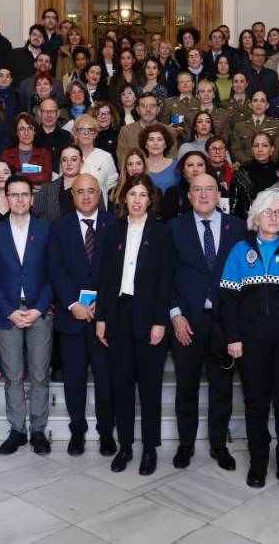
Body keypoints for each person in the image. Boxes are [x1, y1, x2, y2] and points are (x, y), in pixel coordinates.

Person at [220, 187, 279, 492]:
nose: (274, 217)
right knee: (256, 405)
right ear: (256, 217)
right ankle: (258, 465)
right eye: (268, 212)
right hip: (251, 342)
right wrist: (233, 337)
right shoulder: (239, 251)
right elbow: (228, 299)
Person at [95, 174, 173, 475]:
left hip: (149, 316)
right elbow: (104, 278)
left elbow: (166, 280)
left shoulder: (162, 233)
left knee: (150, 388)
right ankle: (125, 446)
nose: (137, 200)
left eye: (143, 195)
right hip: (118, 315)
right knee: (121, 386)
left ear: (150, 200)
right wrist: (101, 317)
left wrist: (160, 321)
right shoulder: (112, 231)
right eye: (132, 194)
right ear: (124, 199)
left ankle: (149, 448)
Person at [169, 173, 246, 470]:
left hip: (224, 322)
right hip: (187, 321)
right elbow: (165, 276)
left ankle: (218, 445)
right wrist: (175, 314)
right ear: (189, 196)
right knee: (186, 386)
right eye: (197, 190)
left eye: (209, 189)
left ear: (218, 195)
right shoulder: (174, 228)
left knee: (221, 387)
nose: (203, 195)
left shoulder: (237, 227)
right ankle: (185, 444)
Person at [47, 174, 117, 457]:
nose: (86, 196)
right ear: (72, 196)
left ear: (99, 194)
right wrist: (72, 303)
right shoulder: (59, 227)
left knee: (105, 378)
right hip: (71, 317)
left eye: (91, 191)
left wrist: (103, 302)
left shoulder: (114, 224)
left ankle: (106, 432)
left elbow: (118, 269)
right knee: (74, 379)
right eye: (80, 192)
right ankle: (77, 431)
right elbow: (55, 269)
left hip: (105, 318)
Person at [0, 174, 54, 455]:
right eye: (14, 194)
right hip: (7, 312)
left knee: (39, 375)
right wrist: (9, 311)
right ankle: (17, 429)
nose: (19, 199)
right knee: (13, 376)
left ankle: (38, 429)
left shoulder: (46, 229)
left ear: (32, 198)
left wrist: (39, 308)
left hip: (40, 310)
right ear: (6, 198)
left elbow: (54, 272)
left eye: (24, 194)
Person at [117, 92, 178, 167]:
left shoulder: (170, 131)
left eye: (152, 106)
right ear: (138, 110)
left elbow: (172, 162)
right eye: (143, 106)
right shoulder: (126, 131)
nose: (148, 109)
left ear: (158, 109)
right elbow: (122, 162)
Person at [33, 144, 90, 221]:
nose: (69, 163)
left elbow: (101, 218)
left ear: (81, 163)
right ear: (61, 163)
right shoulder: (47, 188)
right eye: (64, 160)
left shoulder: (92, 187)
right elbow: (36, 218)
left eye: (73, 159)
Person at [229, 132, 278, 219]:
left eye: (265, 146)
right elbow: (233, 207)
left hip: (275, 219)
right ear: (251, 150)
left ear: (272, 149)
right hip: (247, 221)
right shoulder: (242, 172)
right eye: (256, 146)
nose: (260, 149)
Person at [0, 112, 53, 190]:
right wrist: (34, 181)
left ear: (35, 132)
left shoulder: (44, 154)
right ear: (16, 132)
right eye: (22, 129)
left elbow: (46, 177)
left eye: (30, 128)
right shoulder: (7, 155)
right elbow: (5, 178)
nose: (26, 133)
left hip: (38, 196)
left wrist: (18, 174)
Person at [230, 91, 279, 164]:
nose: (259, 104)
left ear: (267, 105)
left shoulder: (277, 124)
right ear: (250, 105)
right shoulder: (240, 126)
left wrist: (267, 163)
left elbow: (278, 149)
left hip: (270, 166)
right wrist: (249, 164)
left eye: (263, 101)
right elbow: (236, 149)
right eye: (255, 100)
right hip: (247, 167)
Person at [73, 114, 119, 195]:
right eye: (82, 129)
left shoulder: (106, 157)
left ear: (95, 134)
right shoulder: (68, 156)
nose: (86, 133)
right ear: (76, 134)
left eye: (90, 129)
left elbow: (112, 187)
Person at [161, 151, 207, 221]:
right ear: (183, 170)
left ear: (206, 168)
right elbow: (166, 224)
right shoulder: (173, 193)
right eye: (190, 165)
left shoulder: (217, 190)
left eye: (200, 165)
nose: (195, 169)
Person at [34, 97, 73, 173]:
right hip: (37, 178)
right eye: (45, 111)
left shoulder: (67, 137)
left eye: (52, 111)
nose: (49, 115)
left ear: (58, 113)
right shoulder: (32, 137)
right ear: (39, 113)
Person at [140, 123, 180, 194]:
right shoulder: (139, 166)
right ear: (145, 145)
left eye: (160, 139)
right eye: (151, 139)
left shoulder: (176, 166)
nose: (155, 143)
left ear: (165, 145)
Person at [160, 72, 200, 142]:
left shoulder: (199, 102)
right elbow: (164, 125)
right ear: (178, 86)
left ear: (193, 84)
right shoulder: (170, 103)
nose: (185, 84)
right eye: (182, 82)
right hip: (177, 142)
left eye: (188, 81)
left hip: (196, 141)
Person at [7, 24, 47, 89]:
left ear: (43, 41)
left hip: (40, 92)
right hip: (18, 92)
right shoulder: (15, 53)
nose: (36, 38)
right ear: (29, 37)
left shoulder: (46, 58)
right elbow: (7, 73)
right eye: (34, 35)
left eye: (40, 36)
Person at [92, 100, 120, 165]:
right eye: (99, 113)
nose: (103, 117)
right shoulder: (90, 136)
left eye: (107, 113)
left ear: (112, 117)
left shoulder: (119, 135)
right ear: (94, 117)